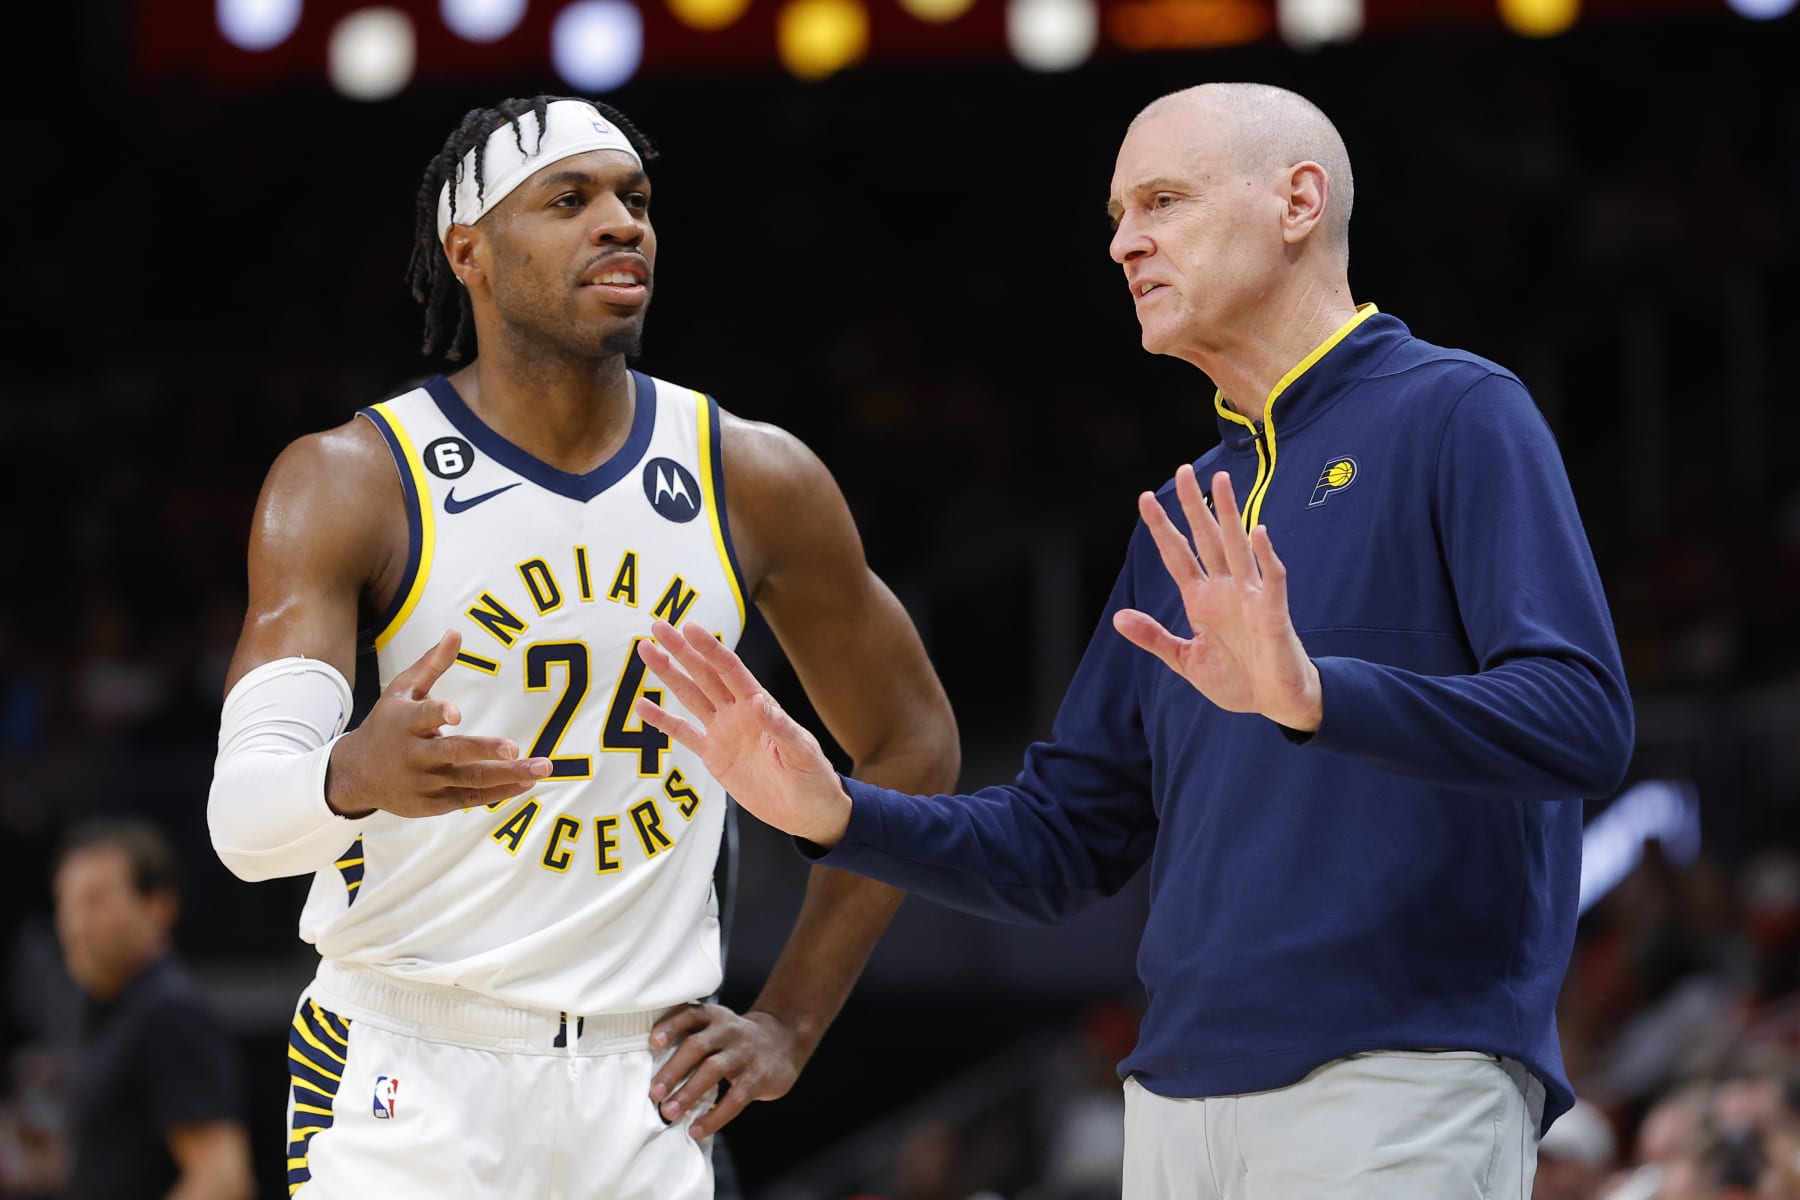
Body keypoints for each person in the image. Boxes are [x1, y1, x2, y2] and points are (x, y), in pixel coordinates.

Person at [631, 81, 1636, 1199]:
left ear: (1299, 201)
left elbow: (1584, 724)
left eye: (1162, 201)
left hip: (1402, 1080)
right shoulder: (1186, 508)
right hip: (1170, 1107)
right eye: (1116, 215)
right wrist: (834, 813)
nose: (1124, 244)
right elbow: (1064, 844)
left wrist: (1312, 693)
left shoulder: (1458, 413)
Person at [205, 94, 958, 1198]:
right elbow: (245, 824)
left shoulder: (751, 475)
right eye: (572, 200)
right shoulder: (351, 481)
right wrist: (352, 775)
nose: (623, 223)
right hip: (412, 1067)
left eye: (636, 200)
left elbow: (915, 747)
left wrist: (790, 1022)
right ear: (469, 252)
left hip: (643, 1082)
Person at [52, 818, 256, 1200]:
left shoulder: (170, 1012)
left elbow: (222, 1181)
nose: (72, 923)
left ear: (158, 906)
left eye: (94, 900)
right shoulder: (103, 1005)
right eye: (65, 901)